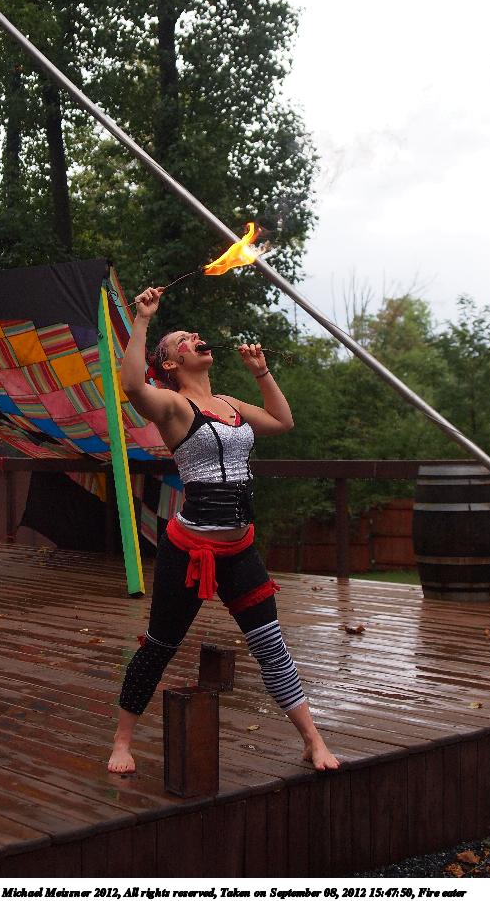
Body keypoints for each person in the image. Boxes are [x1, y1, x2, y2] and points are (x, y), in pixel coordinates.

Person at [108, 286, 339, 775]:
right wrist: (143, 320)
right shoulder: (173, 407)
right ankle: (122, 742)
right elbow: (131, 386)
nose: (195, 337)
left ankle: (312, 740)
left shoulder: (230, 404)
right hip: (189, 551)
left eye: (193, 334)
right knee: (160, 645)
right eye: (183, 339)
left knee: (271, 644)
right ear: (171, 363)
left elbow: (282, 421)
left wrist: (261, 372)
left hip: (239, 551)